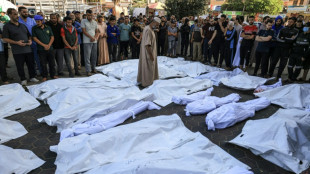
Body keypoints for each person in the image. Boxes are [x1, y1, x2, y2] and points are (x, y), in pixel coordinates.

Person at [3, 8, 39, 85]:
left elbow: (29, 35)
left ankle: (32, 77)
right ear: (10, 15)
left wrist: (30, 40)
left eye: (17, 14)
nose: (17, 16)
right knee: (20, 65)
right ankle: (23, 79)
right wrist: (16, 42)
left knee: (31, 64)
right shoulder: (7, 26)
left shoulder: (22, 25)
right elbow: (5, 38)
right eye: (15, 14)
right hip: (17, 50)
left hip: (28, 49)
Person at [32, 15, 57, 82]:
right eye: (36, 21)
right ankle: (44, 76)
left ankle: (53, 75)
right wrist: (44, 45)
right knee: (43, 63)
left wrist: (49, 45)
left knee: (52, 63)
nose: (37, 23)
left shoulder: (48, 27)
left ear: (42, 21)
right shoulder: (34, 28)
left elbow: (52, 37)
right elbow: (34, 38)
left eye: (38, 21)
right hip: (41, 49)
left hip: (50, 48)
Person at [18, 6, 42, 75]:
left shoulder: (31, 19)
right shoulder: (17, 21)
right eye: (24, 12)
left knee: (37, 58)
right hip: (24, 43)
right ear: (19, 12)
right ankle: (33, 74)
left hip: (34, 42)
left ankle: (41, 72)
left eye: (26, 12)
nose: (26, 13)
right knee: (30, 60)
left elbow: (36, 28)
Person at [137, 17, 160, 87]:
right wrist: (151, 55)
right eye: (157, 25)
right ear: (154, 22)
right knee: (148, 68)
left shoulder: (149, 28)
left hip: (148, 52)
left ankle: (146, 81)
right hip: (148, 53)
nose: (157, 26)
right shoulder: (148, 30)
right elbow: (147, 45)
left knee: (147, 68)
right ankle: (147, 83)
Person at [81, 9, 99, 76]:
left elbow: (97, 31)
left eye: (91, 15)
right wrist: (91, 37)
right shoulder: (83, 21)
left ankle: (93, 68)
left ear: (93, 15)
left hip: (94, 41)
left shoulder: (95, 22)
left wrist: (94, 37)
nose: (89, 16)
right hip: (87, 41)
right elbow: (84, 31)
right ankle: (88, 70)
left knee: (94, 56)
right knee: (87, 56)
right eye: (88, 15)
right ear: (86, 15)